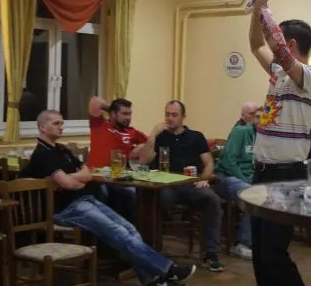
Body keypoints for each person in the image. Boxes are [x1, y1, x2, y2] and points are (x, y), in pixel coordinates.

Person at [230, 0, 311, 286]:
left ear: (292, 44)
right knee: (261, 259)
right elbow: (256, 42)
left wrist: (266, 6)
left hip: (287, 178)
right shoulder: (279, 75)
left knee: (274, 255)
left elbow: (278, 49)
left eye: (281, 40)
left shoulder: (308, 79)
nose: (274, 45)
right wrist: (258, 8)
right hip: (262, 175)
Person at [26, 110, 195, 286]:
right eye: (56, 123)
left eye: (62, 123)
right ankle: (167, 270)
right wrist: (75, 178)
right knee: (119, 232)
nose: (61, 127)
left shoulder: (61, 149)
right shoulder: (42, 155)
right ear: (42, 127)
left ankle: (154, 281)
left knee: (130, 229)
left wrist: (73, 177)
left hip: (84, 200)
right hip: (66, 209)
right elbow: (69, 184)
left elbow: (87, 173)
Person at [139, 100, 226, 272]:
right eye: (167, 114)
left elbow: (209, 163)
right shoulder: (161, 136)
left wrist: (204, 179)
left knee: (212, 200)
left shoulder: (196, 136)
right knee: (149, 199)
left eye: (174, 115)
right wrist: (153, 134)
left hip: (191, 184)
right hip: (166, 187)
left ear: (183, 117)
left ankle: (210, 254)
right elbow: (143, 161)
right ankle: (152, 251)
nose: (169, 118)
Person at [87, 97, 147, 222]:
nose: (128, 117)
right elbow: (94, 101)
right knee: (102, 191)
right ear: (113, 114)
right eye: (124, 114)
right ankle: (103, 230)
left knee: (132, 192)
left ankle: (129, 229)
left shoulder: (131, 132)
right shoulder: (100, 124)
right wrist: (111, 109)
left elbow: (151, 143)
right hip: (97, 177)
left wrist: (139, 148)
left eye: (130, 114)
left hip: (118, 178)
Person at [213, 106, 261, 260]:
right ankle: (241, 244)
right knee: (253, 195)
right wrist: (245, 180)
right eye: (258, 117)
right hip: (226, 177)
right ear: (252, 118)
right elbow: (228, 162)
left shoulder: (264, 138)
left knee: (270, 192)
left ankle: (261, 240)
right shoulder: (241, 131)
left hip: (248, 178)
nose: (261, 121)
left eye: (265, 118)